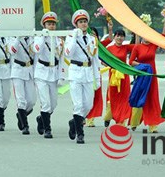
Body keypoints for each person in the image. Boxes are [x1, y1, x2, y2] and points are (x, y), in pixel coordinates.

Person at [64, 9, 101, 144]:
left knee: (88, 105)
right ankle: (80, 134)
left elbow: (95, 59)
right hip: (75, 72)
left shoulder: (92, 39)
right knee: (78, 105)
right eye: (80, 22)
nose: (83, 24)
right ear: (76, 24)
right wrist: (74, 36)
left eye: (85, 21)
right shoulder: (70, 37)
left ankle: (74, 122)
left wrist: (97, 78)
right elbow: (68, 53)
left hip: (87, 73)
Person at [129, 19, 165, 133]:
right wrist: (142, 66)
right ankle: (134, 122)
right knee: (140, 97)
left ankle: (153, 125)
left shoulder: (153, 45)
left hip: (152, 76)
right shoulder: (137, 47)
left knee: (152, 98)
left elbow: (163, 36)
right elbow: (131, 61)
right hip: (142, 76)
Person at [32, 12, 64, 139]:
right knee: (45, 102)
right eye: (48, 24)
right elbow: (37, 49)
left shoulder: (59, 40)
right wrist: (42, 35)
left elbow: (61, 59)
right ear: (44, 25)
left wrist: (61, 75)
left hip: (53, 72)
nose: (51, 26)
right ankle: (47, 129)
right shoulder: (39, 38)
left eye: (53, 24)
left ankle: (42, 118)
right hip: (41, 72)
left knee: (53, 104)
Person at [105, 29, 136, 127]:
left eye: (121, 36)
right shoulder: (109, 49)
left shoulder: (125, 47)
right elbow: (103, 59)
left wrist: (137, 32)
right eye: (117, 36)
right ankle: (112, 116)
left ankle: (122, 121)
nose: (119, 38)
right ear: (114, 37)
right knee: (113, 98)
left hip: (124, 76)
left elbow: (137, 46)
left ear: (124, 38)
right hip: (114, 77)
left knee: (125, 98)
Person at [9, 34, 36, 135]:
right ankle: (25, 126)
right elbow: (12, 51)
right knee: (21, 100)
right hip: (18, 71)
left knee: (31, 101)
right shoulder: (13, 38)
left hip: (29, 70)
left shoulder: (32, 38)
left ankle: (20, 115)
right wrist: (18, 38)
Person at [86, 24, 113, 127]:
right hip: (85, 72)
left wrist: (110, 28)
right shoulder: (84, 44)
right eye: (91, 34)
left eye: (95, 34)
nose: (93, 36)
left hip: (96, 73)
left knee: (96, 96)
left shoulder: (100, 46)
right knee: (87, 96)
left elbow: (110, 39)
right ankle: (85, 116)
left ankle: (91, 118)